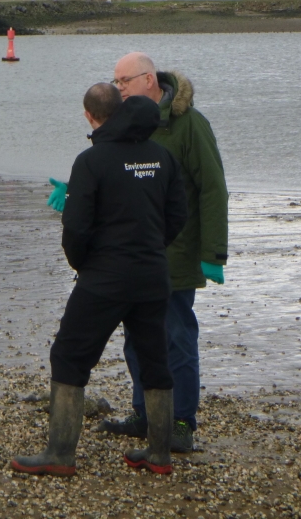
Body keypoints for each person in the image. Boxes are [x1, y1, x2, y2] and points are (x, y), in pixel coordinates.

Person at [13, 83, 187, 477]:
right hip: (152, 275)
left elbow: (75, 228)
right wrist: (152, 248)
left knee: (70, 356)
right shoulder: (162, 157)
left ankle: (60, 454)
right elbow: (178, 216)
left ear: (94, 116)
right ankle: (160, 454)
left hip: (105, 278)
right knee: (155, 360)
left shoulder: (92, 160)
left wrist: (84, 266)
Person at [97, 52, 228, 453]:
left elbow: (212, 188)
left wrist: (214, 253)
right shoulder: (122, 124)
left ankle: (183, 422)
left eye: (124, 81)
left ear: (150, 79)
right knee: (136, 337)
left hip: (177, 252)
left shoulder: (188, 124)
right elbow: (108, 173)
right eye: (115, 82)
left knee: (176, 338)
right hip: (132, 254)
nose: (118, 88)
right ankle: (145, 414)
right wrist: (75, 194)